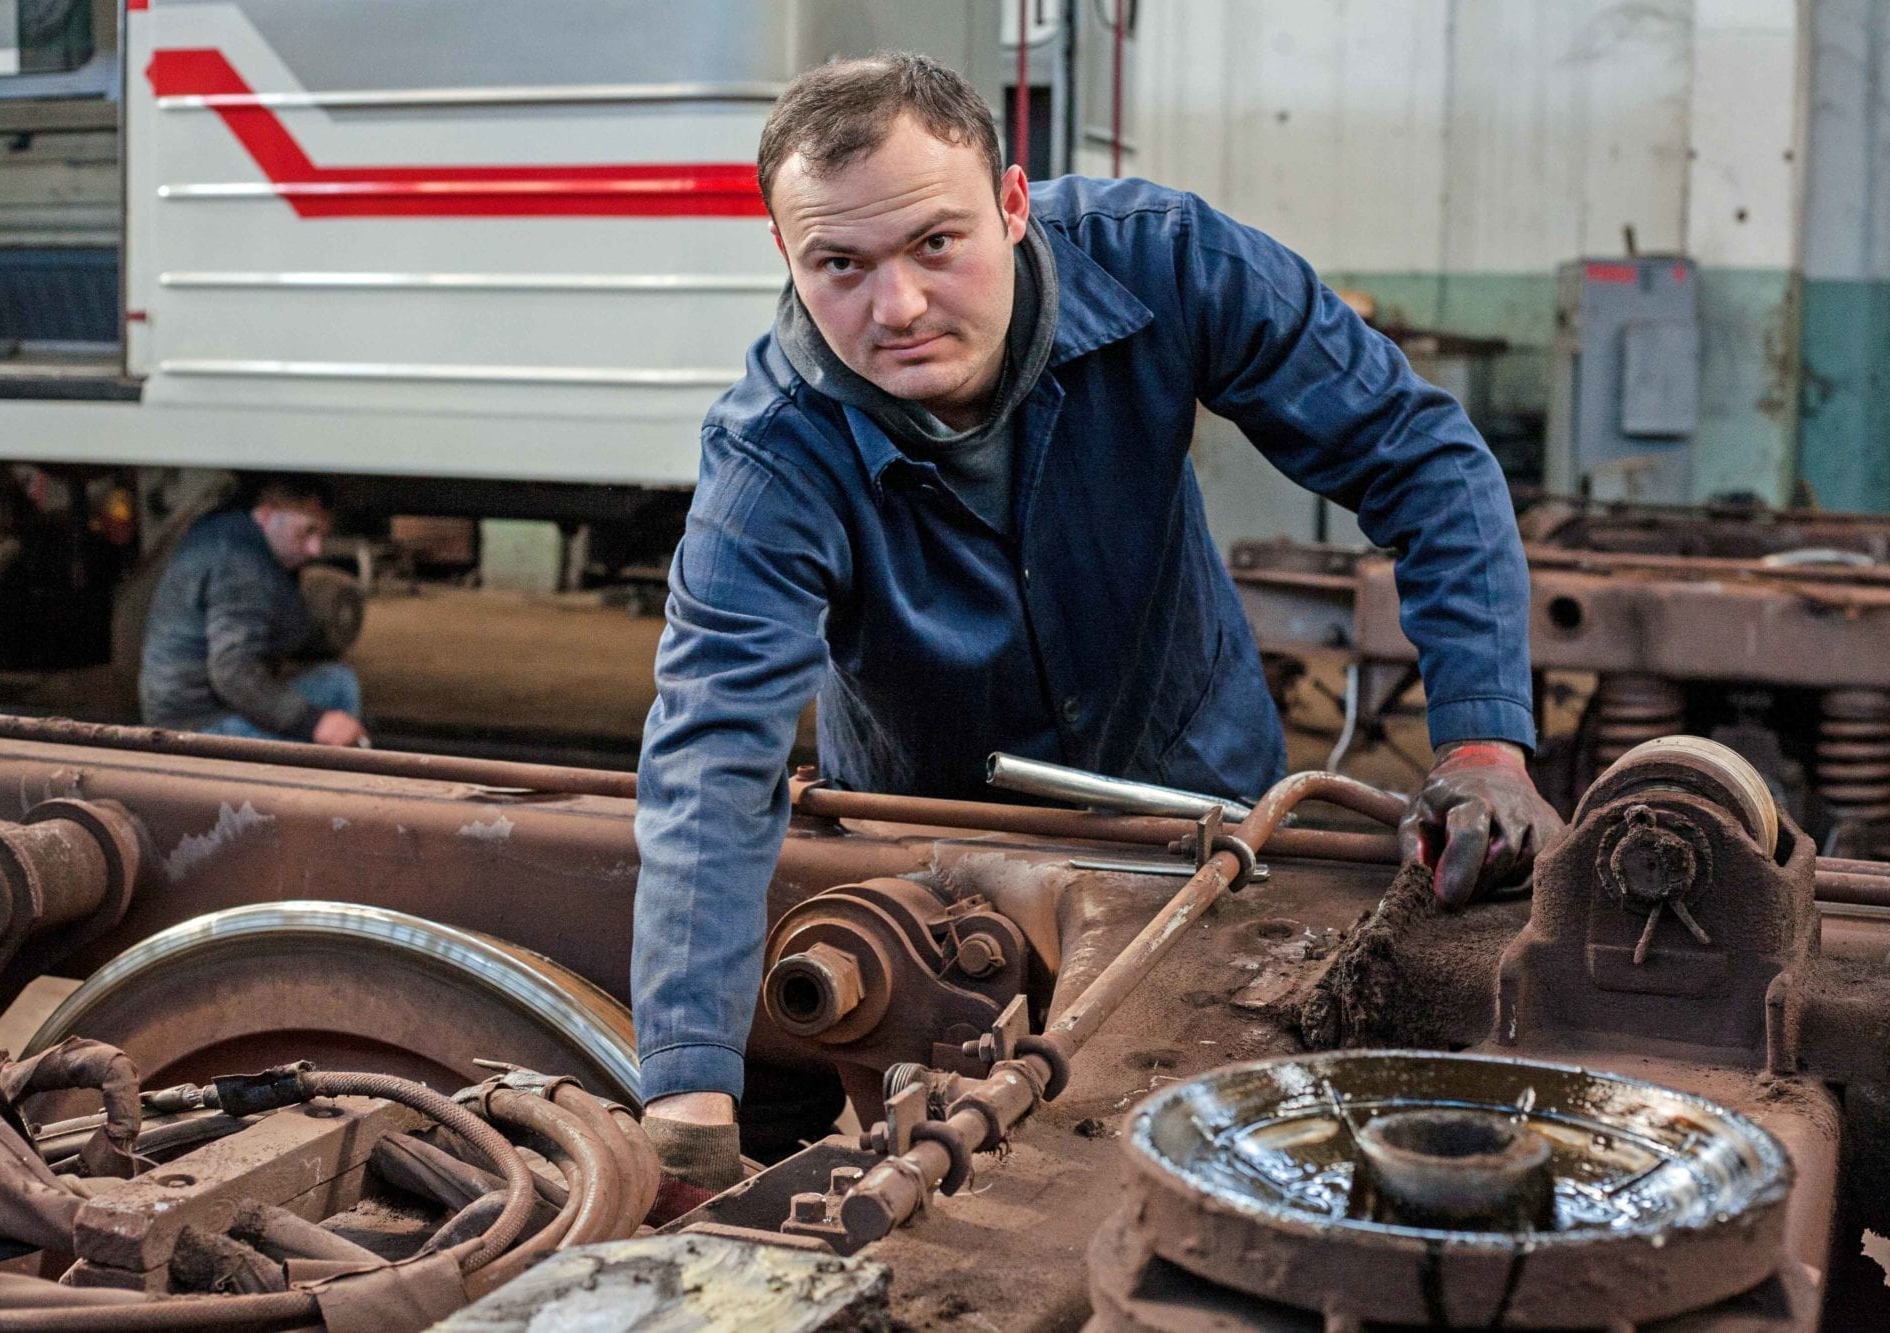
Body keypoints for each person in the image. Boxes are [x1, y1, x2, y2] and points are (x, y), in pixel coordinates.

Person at [631, 53, 1562, 1188]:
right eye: (841, 265)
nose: (900, 306)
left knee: (1227, 1151)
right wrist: (686, 1089)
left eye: (936, 243)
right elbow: (711, 751)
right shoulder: (771, 456)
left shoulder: (1165, 261)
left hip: (1204, 811)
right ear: (787, 257)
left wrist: (1478, 740)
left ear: (1014, 205)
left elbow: (1419, 460)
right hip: (939, 876)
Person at [139, 475, 368, 747]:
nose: (314, 549)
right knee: (338, 689)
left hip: (187, 709)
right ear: (265, 515)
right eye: (307, 531)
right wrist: (314, 722)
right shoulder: (241, 565)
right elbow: (232, 671)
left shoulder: (231, 534)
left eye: (320, 535)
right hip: (200, 725)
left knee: (335, 681)